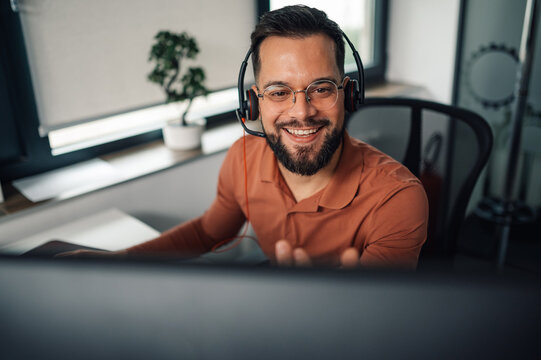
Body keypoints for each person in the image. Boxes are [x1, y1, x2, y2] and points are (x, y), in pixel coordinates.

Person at [65, 5, 428, 268]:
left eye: (320, 88)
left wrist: (324, 304)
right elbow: (208, 233)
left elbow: (377, 320)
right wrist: (118, 262)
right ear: (254, 102)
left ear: (348, 95)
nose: (301, 112)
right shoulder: (242, 157)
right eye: (279, 91)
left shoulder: (397, 199)